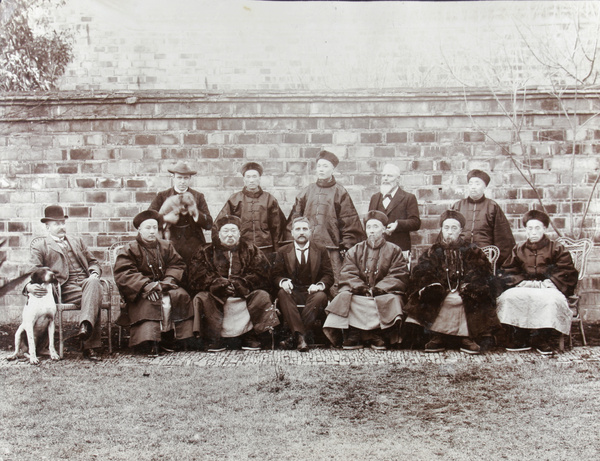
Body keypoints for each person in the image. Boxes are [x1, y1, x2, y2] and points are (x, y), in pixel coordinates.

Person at [404, 210, 500, 354]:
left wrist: (468, 285)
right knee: (436, 296)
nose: (450, 232)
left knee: (467, 297)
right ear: (441, 230)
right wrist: (435, 285)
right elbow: (421, 273)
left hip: (464, 290)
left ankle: (466, 337)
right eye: (446, 228)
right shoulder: (432, 252)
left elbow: (482, 272)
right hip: (442, 290)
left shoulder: (472, 250)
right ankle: (438, 337)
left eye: (454, 228)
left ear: (461, 230)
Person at [186, 215, 279, 351]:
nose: (230, 235)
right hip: (216, 295)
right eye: (225, 231)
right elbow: (196, 275)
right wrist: (216, 283)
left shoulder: (251, 250)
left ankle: (251, 336)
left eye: (233, 231)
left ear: (239, 233)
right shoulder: (205, 251)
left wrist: (240, 283)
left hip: (243, 294)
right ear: (218, 234)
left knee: (262, 295)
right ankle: (213, 339)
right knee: (202, 297)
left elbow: (262, 274)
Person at [322, 211, 409, 350]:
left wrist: (379, 288)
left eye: (376, 227)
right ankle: (355, 334)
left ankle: (379, 333)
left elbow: (398, 274)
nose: (372, 231)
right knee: (344, 296)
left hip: (384, 292)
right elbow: (348, 273)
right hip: (360, 293)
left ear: (384, 229)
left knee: (392, 299)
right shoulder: (355, 250)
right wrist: (361, 287)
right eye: (369, 227)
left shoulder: (394, 250)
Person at [113, 210, 195, 356]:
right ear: (139, 229)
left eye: (154, 228)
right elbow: (125, 273)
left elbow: (177, 265)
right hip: (141, 290)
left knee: (180, 295)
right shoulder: (129, 249)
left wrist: (168, 281)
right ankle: (150, 341)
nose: (152, 232)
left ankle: (174, 337)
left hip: (166, 286)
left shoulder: (166, 246)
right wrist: (146, 286)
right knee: (150, 301)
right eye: (147, 228)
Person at [27, 205, 104, 361]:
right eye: (57, 224)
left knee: (94, 283)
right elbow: (33, 271)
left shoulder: (77, 241)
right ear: (47, 227)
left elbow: (93, 262)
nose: (62, 227)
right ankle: (89, 347)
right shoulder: (40, 245)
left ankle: (85, 327)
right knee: (94, 296)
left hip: (86, 283)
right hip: (63, 288)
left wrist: (94, 272)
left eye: (63, 223)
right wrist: (28, 287)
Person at [497, 210, 578, 355]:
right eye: (529, 228)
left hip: (548, 286)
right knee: (508, 298)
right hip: (524, 285)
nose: (533, 232)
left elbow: (566, 270)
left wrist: (550, 281)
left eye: (537, 228)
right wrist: (520, 281)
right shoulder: (518, 249)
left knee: (551, 300)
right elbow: (508, 270)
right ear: (525, 230)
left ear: (544, 229)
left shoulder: (557, 248)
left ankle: (542, 337)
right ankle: (520, 336)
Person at [287, 150, 366, 291]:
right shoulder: (306, 192)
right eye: (319, 166)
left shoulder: (340, 192)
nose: (321, 170)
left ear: (333, 169)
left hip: (331, 250)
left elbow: (349, 223)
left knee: (333, 284)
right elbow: (294, 219)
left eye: (325, 166)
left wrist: (346, 249)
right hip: (307, 247)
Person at [272, 216, 334, 352]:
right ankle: (301, 337)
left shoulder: (320, 250)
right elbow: (275, 275)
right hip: (292, 293)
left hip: (313, 294)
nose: (301, 232)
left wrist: (319, 285)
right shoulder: (283, 251)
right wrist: (283, 282)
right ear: (292, 232)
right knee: (282, 293)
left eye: (305, 229)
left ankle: (296, 338)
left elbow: (329, 275)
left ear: (311, 232)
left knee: (321, 296)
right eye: (298, 229)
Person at [213, 162, 286, 259]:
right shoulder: (235, 199)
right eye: (248, 177)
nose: (251, 180)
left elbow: (278, 228)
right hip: (241, 249)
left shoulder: (269, 199)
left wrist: (277, 251)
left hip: (265, 248)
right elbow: (220, 224)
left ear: (259, 178)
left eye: (254, 176)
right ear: (244, 179)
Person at [149, 160, 212, 265]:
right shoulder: (162, 196)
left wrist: (196, 213)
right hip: (169, 245)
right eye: (179, 178)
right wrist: (165, 218)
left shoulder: (198, 196)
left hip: (194, 246)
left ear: (190, 179)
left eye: (186, 178)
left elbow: (209, 224)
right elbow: (149, 218)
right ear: (173, 178)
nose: (182, 182)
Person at [451, 169, 515, 266]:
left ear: (485, 187)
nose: (473, 187)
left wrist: (498, 263)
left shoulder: (492, 207)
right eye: (471, 183)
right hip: (460, 255)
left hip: (485, 256)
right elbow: (448, 232)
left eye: (477, 184)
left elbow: (503, 238)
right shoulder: (458, 206)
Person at [368, 163, 421, 252]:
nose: (385, 179)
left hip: (399, 247)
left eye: (389, 176)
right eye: (383, 176)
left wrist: (398, 225)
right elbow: (369, 221)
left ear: (398, 179)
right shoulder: (375, 198)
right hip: (377, 249)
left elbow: (416, 222)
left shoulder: (408, 198)